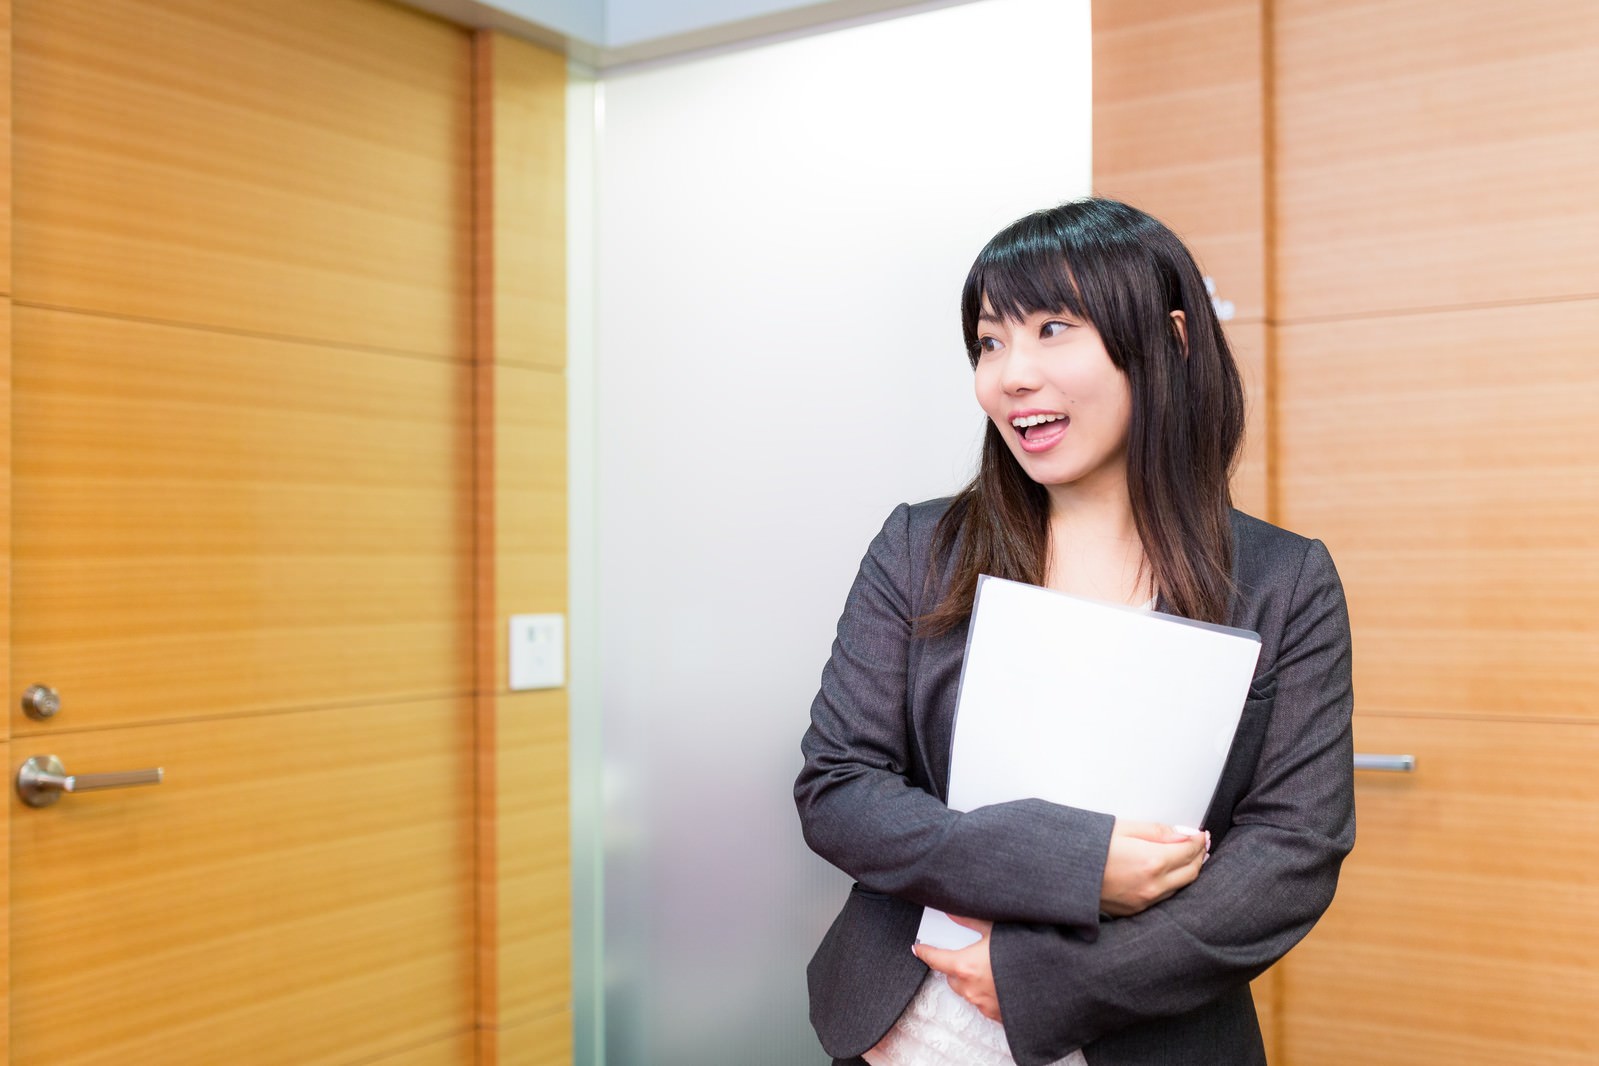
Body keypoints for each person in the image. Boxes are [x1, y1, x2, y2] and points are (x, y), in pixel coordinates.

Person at [793, 199, 1354, 1066]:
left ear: (1167, 340)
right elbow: (839, 791)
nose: (1010, 374)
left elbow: (1287, 860)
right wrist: (1073, 861)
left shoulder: (1283, 580)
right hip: (901, 1033)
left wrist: (1037, 978)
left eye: (1053, 328)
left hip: (1143, 1037)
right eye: (989, 341)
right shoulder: (919, 546)